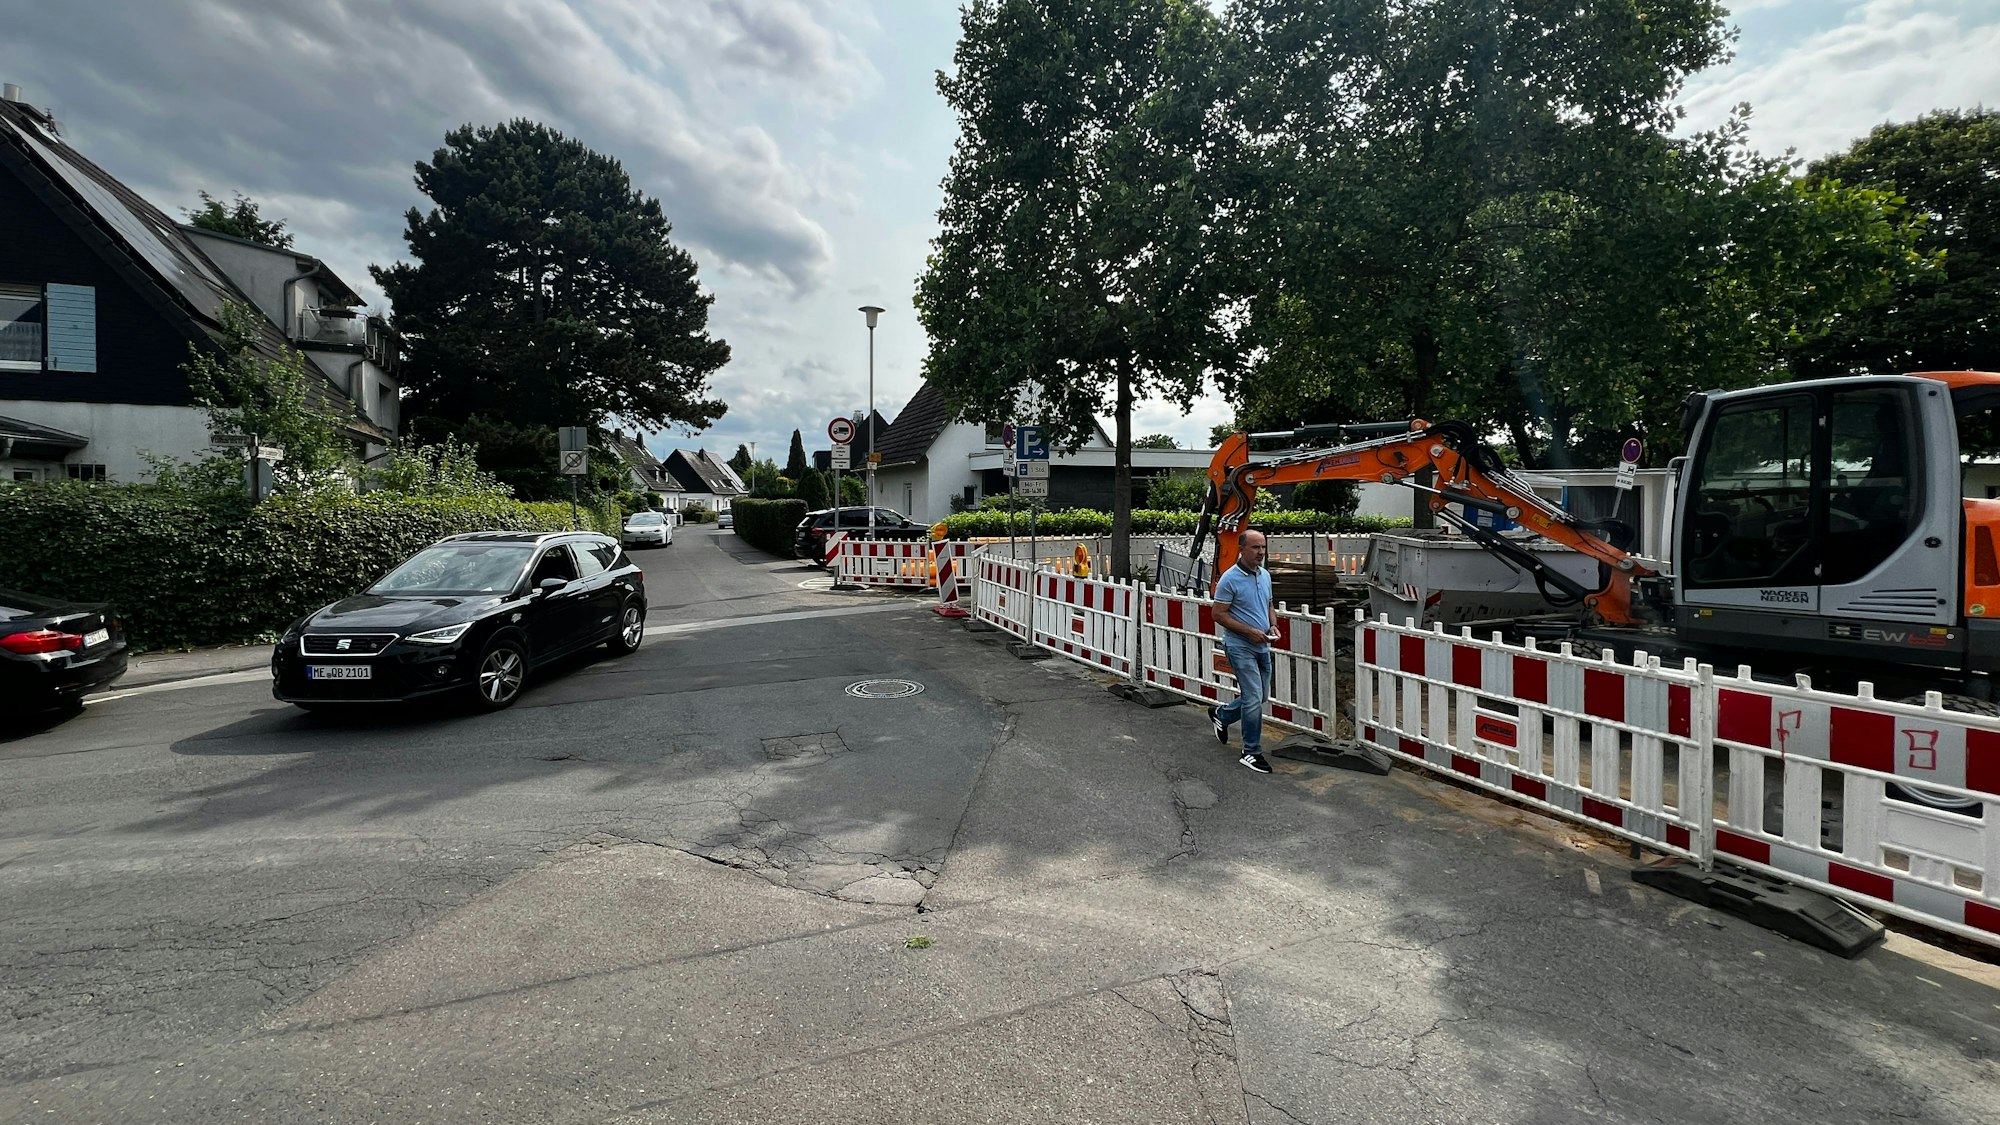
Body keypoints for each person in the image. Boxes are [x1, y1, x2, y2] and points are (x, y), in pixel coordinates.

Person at [1208, 529, 1280, 773]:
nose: (1261, 552)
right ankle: (1251, 752)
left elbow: (1269, 604)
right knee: (1252, 698)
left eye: (1263, 547)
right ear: (1242, 549)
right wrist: (1248, 631)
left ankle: (1223, 715)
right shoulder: (1230, 579)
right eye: (1255, 547)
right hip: (1240, 646)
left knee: (1260, 697)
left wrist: (1273, 624)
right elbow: (1217, 614)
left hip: (1262, 643)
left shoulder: (1265, 575)